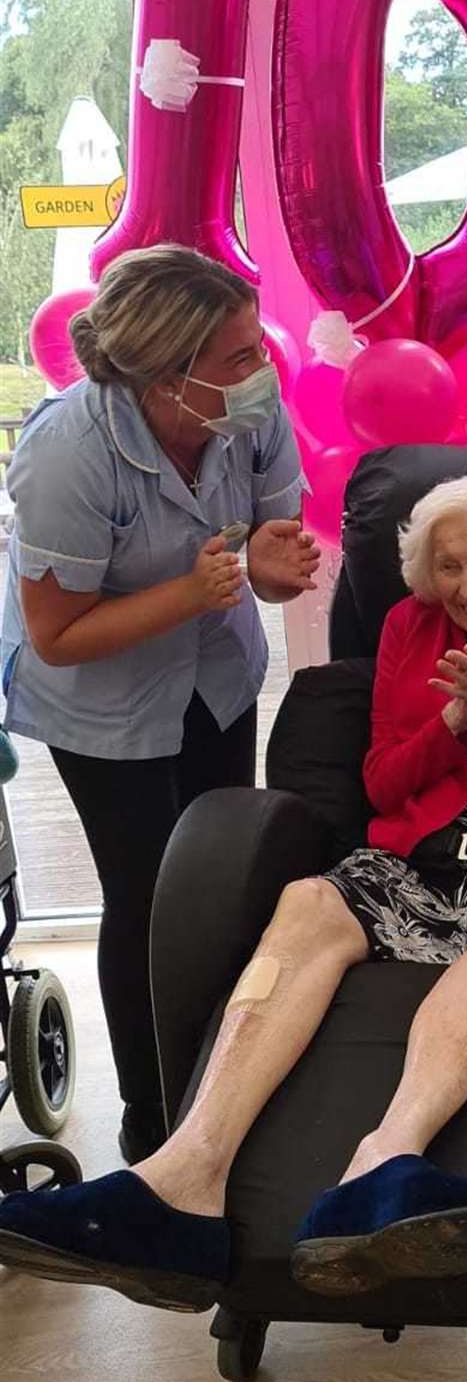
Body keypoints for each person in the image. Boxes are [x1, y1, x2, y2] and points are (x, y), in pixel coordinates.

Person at [0, 473, 467, 1309]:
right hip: (418, 866)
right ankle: (184, 1181)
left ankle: (383, 1166)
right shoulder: (409, 628)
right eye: (448, 565)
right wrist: (451, 723)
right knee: (306, 901)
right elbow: (381, 781)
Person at [1, 246, 318, 1166]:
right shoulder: (70, 450)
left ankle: (228, 1086)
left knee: (223, 886)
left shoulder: (249, 415)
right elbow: (56, 633)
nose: (262, 369)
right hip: (101, 702)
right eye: (237, 357)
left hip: (213, 679)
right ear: (167, 378)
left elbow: (267, 534)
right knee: (145, 899)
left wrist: (264, 563)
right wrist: (195, 590)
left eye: (258, 345)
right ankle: (154, 1120)